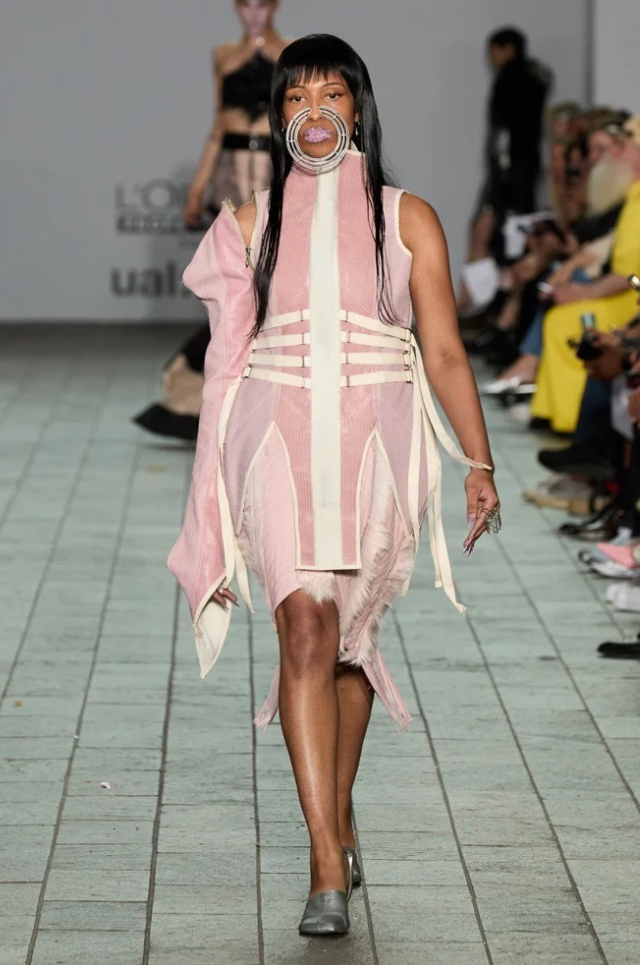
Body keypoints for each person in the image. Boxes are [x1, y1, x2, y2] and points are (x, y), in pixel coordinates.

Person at [168, 34, 500, 936]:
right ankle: (325, 859)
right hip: (273, 438)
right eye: (296, 96)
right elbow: (224, 369)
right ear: (278, 115)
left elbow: (442, 349)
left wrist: (479, 462)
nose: (313, 111)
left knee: (349, 641)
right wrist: (208, 509)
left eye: (332, 94)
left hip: (376, 444)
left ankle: (337, 813)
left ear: (358, 106)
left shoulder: (407, 217)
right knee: (305, 627)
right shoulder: (248, 223)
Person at [134, 1, 289, 442]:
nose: (253, 13)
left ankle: (260, 393)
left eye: (261, 4)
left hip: (274, 168)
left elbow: (294, 116)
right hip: (230, 173)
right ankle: (209, 397)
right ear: (238, 9)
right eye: (246, 5)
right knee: (236, 282)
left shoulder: (291, 51)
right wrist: (197, 187)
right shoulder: (223, 54)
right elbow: (219, 126)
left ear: (274, 7)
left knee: (272, 280)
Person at [531, 114, 640, 434]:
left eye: (623, 146)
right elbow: (609, 251)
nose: (614, 155)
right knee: (562, 316)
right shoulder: (632, 196)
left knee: (570, 322)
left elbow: (628, 272)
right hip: (626, 294)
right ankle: (560, 417)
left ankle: (574, 425)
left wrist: (583, 293)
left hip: (629, 300)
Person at [459, 27, 552, 310]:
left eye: (494, 51)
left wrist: (500, 172)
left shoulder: (510, 78)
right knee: (505, 240)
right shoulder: (536, 77)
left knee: (485, 233)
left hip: (507, 176)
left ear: (506, 48)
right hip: (522, 172)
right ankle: (484, 304)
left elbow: (503, 131)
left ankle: (476, 304)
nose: (492, 59)